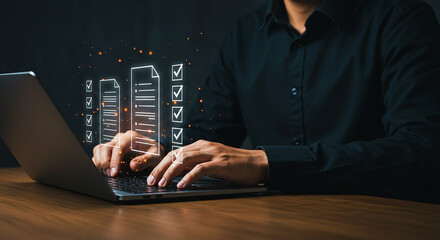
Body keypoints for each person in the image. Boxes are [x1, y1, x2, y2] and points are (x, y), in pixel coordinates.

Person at [93, 0, 440, 202]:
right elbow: (208, 130)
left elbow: (424, 152)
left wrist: (266, 162)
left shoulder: (402, 20)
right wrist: (158, 150)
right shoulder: (247, 33)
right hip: (269, 220)